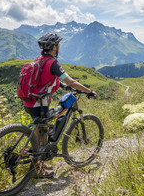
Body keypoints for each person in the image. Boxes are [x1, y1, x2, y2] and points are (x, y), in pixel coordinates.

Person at [23, 33, 97, 178]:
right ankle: (36, 170)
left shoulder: (40, 60)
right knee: (39, 136)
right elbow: (71, 82)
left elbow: (47, 79)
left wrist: (63, 87)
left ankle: (40, 162)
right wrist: (89, 91)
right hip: (40, 104)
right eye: (58, 45)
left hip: (29, 101)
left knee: (41, 131)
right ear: (55, 47)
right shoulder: (53, 63)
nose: (59, 47)